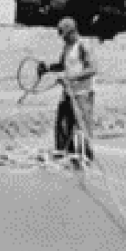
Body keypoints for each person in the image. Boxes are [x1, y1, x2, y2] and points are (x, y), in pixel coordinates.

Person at [37, 17, 97, 169]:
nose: (63, 39)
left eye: (65, 35)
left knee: (82, 126)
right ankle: (64, 155)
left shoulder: (83, 45)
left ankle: (86, 158)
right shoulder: (67, 47)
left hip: (83, 92)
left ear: (72, 32)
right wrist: (48, 68)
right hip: (68, 92)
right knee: (62, 123)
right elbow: (62, 65)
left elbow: (92, 69)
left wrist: (70, 78)